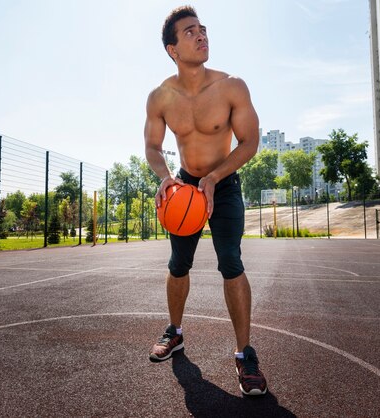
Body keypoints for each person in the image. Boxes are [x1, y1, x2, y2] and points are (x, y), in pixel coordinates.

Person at [144, 6, 267, 396]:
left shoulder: (232, 86)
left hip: (224, 185)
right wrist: (165, 179)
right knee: (178, 264)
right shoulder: (160, 96)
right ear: (172, 49)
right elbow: (152, 146)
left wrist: (215, 176)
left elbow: (250, 142)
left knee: (230, 261)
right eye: (190, 32)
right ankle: (175, 331)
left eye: (203, 30)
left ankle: (244, 354)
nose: (202, 36)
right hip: (183, 189)